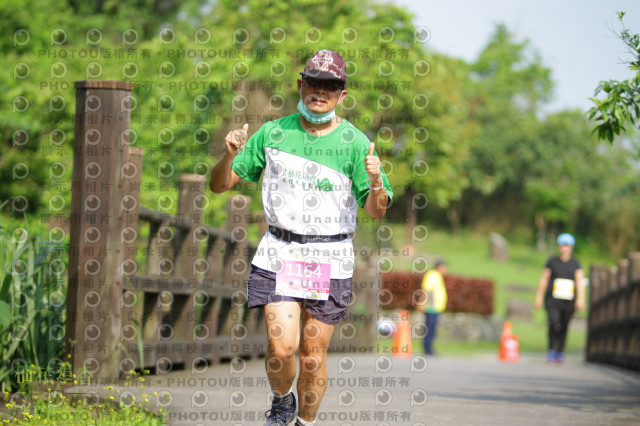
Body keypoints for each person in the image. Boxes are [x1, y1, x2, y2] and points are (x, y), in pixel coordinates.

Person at [209, 49, 392, 426]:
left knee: (311, 355)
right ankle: (281, 401)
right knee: (281, 347)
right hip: (280, 250)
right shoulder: (274, 133)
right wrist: (228, 156)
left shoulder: (357, 145)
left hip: (330, 255)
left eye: (330, 86)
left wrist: (375, 181)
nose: (320, 92)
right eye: (314, 83)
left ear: (342, 94)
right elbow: (219, 185)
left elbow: (377, 209)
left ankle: (305, 421)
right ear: (300, 85)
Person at [534, 233, 585, 364]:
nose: (564, 248)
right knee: (553, 323)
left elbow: (580, 282)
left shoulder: (575, 264)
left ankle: (560, 351)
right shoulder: (552, 262)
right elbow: (544, 279)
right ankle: (551, 350)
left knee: (564, 326)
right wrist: (539, 296)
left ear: (571, 247)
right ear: (559, 246)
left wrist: (581, 299)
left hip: (568, 301)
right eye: (562, 245)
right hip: (552, 300)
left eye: (567, 245)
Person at [415, 259, 448, 355]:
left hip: (436, 308)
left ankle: (429, 348)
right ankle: (427, 349)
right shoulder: (432, 275)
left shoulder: (437, 276)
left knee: (432, 329)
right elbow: (426, 290)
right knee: (429, 329)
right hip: (431, 307)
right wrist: (421, 303)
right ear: (440, 267)